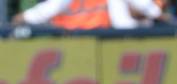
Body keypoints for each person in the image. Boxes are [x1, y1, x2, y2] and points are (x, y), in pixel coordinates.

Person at [12, 0, 165, 29]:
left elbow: (123, 24)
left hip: (106, 37)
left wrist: (154, 13)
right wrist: (24, 17)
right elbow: (51, 8)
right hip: (74, 41)